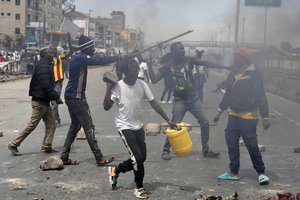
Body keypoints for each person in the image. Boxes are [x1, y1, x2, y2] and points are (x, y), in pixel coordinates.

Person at [103, 58, 176, 199]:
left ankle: (115, 170)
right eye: (132, 71)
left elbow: (154, 103)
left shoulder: (142, 84)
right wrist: (108, 86)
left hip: (138, 125)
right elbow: (106, 107)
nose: (136, 73)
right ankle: (139, 187)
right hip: (124, 126)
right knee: (137, 157)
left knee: (142, 157)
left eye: (137, 70)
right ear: (125, 72)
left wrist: (168, 120)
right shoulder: (117, 86)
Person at [148, 42, 220, 160]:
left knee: (205, 122)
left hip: (194, 99)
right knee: (174, 125)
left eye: (183, 48)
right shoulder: (167, 66)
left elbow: (205, 63)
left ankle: (206, 150)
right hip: (179, 101)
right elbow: (154, 80)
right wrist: (150, 66)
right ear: (173, 52)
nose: (183, 50)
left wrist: (224, 66)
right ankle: (165, 150)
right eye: (180, 49)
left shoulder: (188, 60)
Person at [213, 47, 271, 185]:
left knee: (251, 144)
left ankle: (261, 173)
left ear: (244, 59)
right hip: (233, 114)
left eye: (237, 57)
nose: (234, 59)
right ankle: (233, 172)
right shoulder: (233, 73)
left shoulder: (255, 74)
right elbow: (228, 94)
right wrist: (219, 111)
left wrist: (265, 116)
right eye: (234, 56)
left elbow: (261, 95)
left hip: (248, 116)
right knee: (231, 143)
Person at [60, 35, 119, 166]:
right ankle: (99, 157)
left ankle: (64, 156)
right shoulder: (80, 57)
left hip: (72, 96)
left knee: (75, 126)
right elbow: (99, 60)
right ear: (86, 48)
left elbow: (97, 59)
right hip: (77, 98)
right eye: (92, 47)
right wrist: (119, 57)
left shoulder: (79, 57)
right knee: (88, 126)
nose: (94, 49)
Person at [8, 47, 63, 156]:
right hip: (39, 102)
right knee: (32, 125)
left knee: (51, 124)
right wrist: (56, 97)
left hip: (44, 101)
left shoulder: (45, 64)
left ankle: (46, 146)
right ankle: (13, 144)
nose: (53, 55)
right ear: (45, 56)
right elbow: (46, 85)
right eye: (50, 54)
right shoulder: (43, 67)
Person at [50, 45, 72, 126]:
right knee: (52, 102)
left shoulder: (60, 58)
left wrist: (70, 43)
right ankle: (55, 118)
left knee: (54, 101)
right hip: (50, 83)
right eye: (51, 50)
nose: (53, 51)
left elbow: (69, 54)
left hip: (58, 82)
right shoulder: (47, 60)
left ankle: (55, 119)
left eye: (54, 50)